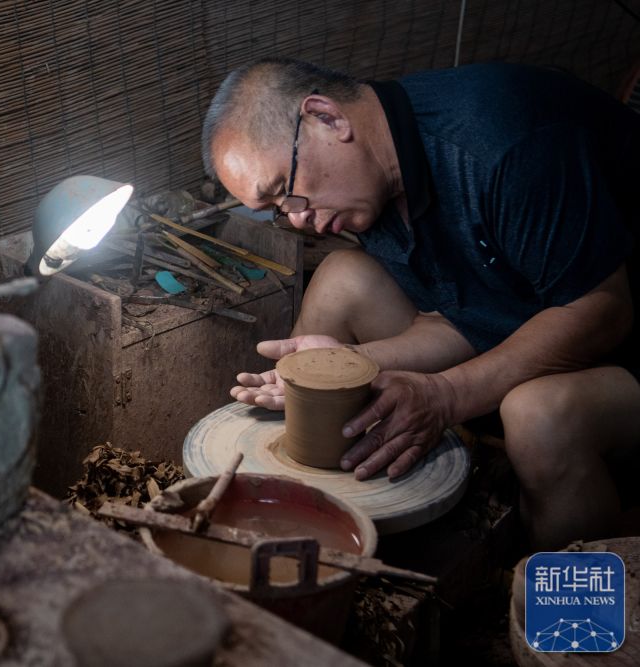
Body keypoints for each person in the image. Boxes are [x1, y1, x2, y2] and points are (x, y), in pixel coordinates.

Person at [201, 58, 640, 551]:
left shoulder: (503, 145)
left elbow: (602, 312)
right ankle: (322, 516)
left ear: (326, 118)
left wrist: (446, 396)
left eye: (286, 191)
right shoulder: (373, 175)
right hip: (535, 320)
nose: (298, 219)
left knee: (539, 416)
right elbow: (462, 316)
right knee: (341, 280)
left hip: (620, 342)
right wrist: (345, 368)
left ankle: (555, 592)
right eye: (278, 211)